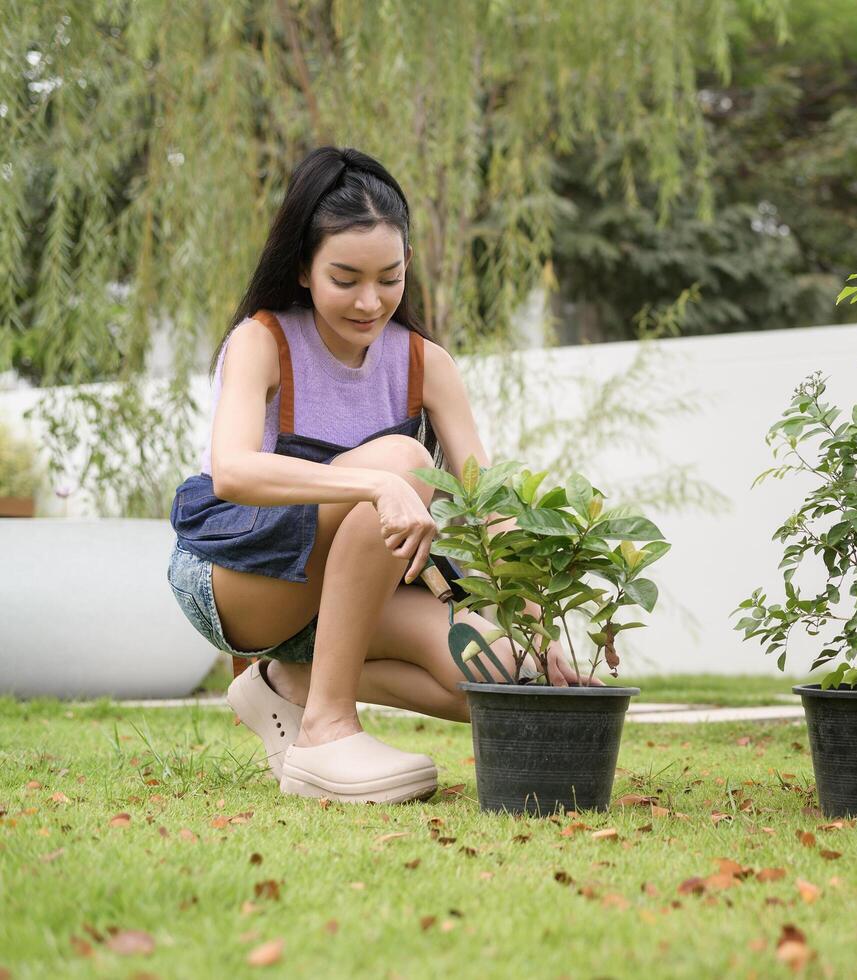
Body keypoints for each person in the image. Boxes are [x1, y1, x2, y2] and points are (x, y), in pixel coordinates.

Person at [166, 146, 596, 805]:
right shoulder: (264, 339)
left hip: (351, 592)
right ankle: (325, 731)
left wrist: (537, 621)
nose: (370, 301)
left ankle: (292, 686)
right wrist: (378, 483)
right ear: (304, 270)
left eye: (388, 278)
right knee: (401, 461)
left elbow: (486, 503)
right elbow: (233, 472)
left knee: (505, 671)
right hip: (243, 578)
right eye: (345, 278)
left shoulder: (425, 364)